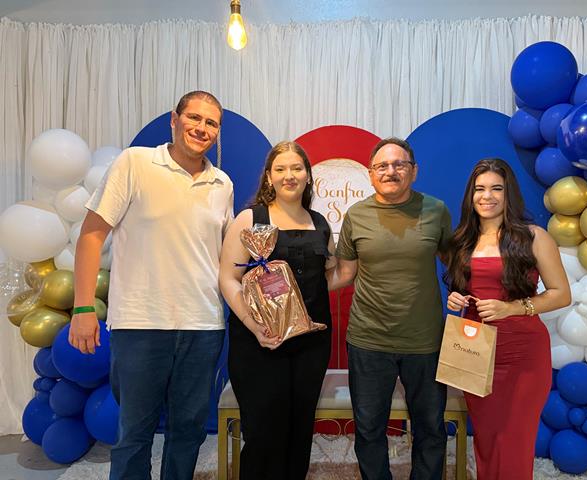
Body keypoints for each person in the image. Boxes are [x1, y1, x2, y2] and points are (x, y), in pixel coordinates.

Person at [69, 90, 233, 480]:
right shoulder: (135, 163)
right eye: (194, 118)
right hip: (140, 324)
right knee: (134, 435)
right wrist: (83, 307)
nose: (202, 128)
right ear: (174, 120)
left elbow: (228, 256)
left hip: (203, 326)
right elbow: (91, 235)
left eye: (211, 123)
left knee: (188, 432)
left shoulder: (222, 183)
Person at [329, 137, 451, 480]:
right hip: (369, 341)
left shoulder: (436, 210)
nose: (391, 171)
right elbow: (345, 273)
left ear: (414, 171)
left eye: (399, 164)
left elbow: (455, 264)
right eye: (382, 166)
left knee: (430, 428)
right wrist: (296, 293)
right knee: (369, 429)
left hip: (425, 341)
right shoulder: (357, 215)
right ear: (370, 174)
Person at [445, 158, 571, 479]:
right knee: (486, 438)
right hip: (475, 351)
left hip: (522, 356)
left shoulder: (533, 237)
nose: (487, 196)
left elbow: (561, 294)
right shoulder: (463, 239)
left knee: (514, 440)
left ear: (508, 193)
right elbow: (467, 287)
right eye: (480, 189)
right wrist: (457, 297)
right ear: (471, 195)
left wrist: (512, 308)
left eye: (496, 189)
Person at [219, 141, 333, 480]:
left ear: (308, 176)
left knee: (299, 430)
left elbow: (326, 277)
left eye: (297, 168)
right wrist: (254, 325)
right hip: (260, 343)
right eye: (280, 169)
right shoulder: (250, 219)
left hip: (311, 345)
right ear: (269, 177)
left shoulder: (320, 223)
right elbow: (228, 278)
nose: (289, 175)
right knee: (264, 432)